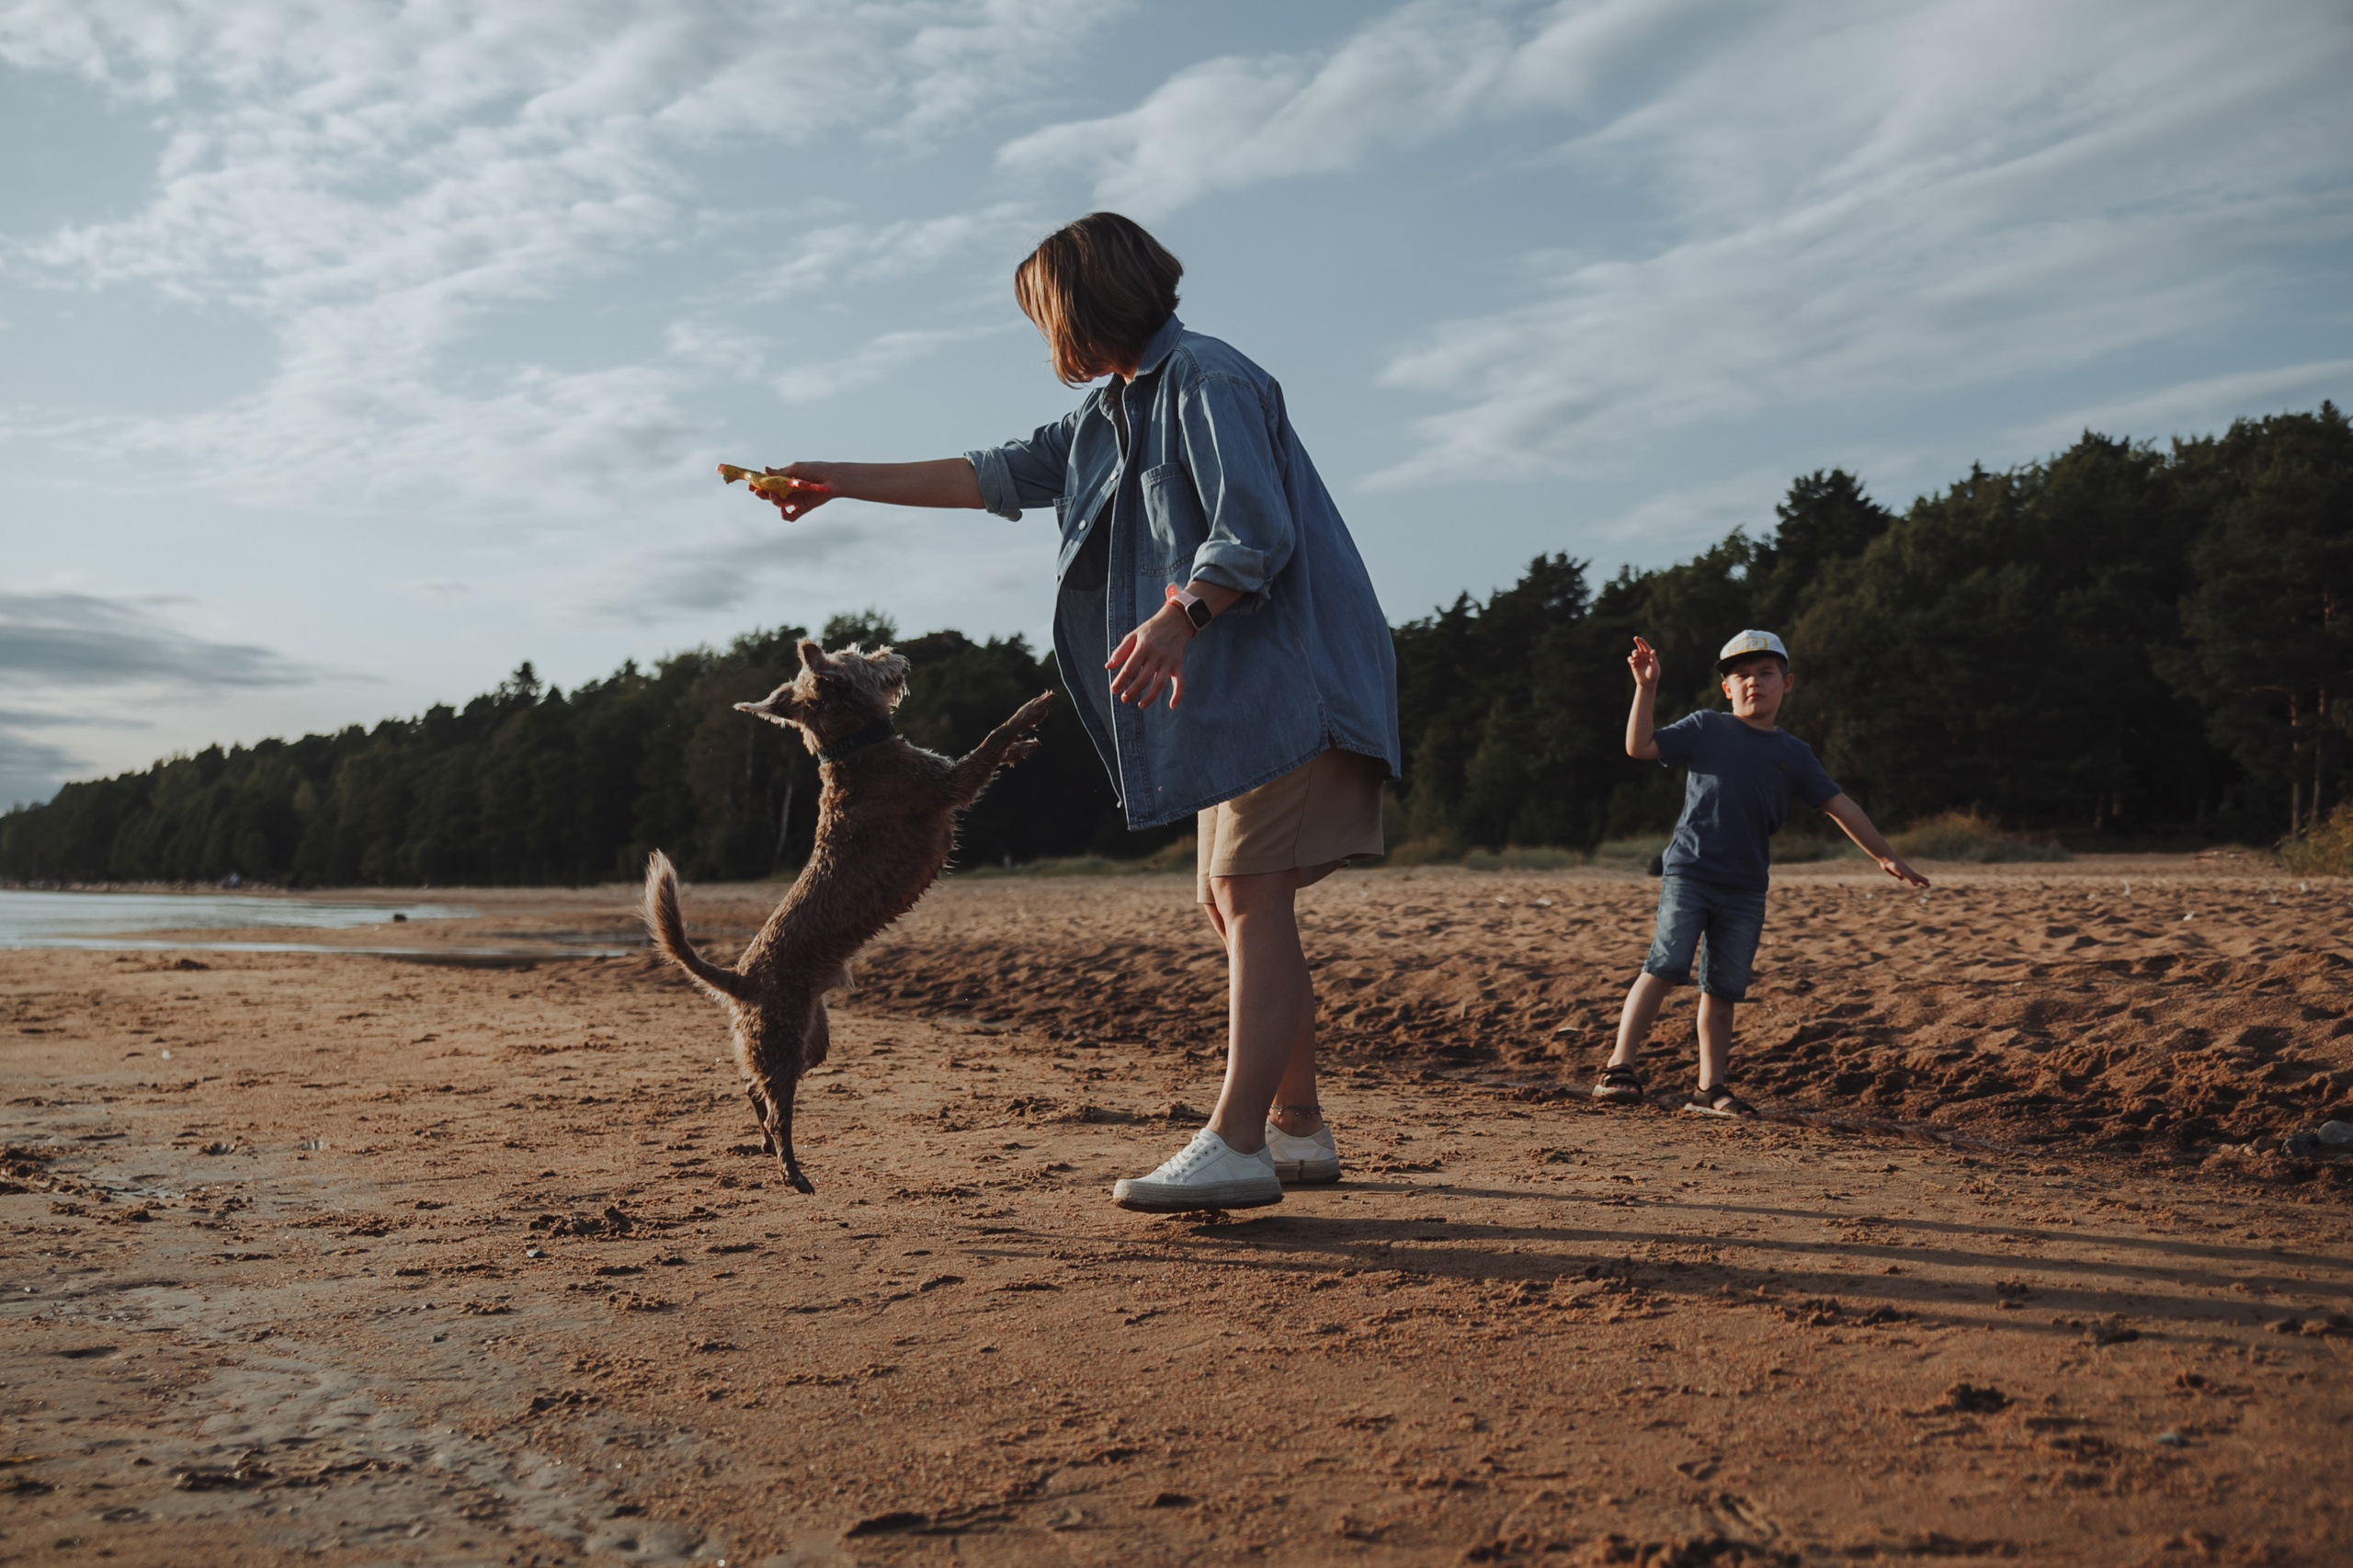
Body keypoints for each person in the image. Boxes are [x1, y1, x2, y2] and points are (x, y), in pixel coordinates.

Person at [746, 212, 1402, 1210]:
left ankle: (1238, 1141)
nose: (1042, 337)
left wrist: (1180, 616)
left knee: (1250, 892)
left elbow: (1253, 529)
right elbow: (986, 475)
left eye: (1042, 314)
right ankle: (1298, 1127)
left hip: (1291, 681)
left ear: (1085, 303)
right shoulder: (1108, 418)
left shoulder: (1210, 380)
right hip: (1230, 702)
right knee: (1231, 901)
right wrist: (834, 481)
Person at [1596, 630, 1927, 1116]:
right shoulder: (1706, 727)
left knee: (1723, 988)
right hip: (1689, 872)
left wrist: (1883, 854)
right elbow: (1639, 746)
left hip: (1747, 886)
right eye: (1742, 677)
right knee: (1665, 967)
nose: (1754, 684)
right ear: (1727, 689)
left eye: (1765, 674)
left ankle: (1710, 1089)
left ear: (1787, 683)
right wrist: (1646, 686)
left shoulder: (1794, 753)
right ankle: (1619, 1066)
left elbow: (1839, 804)